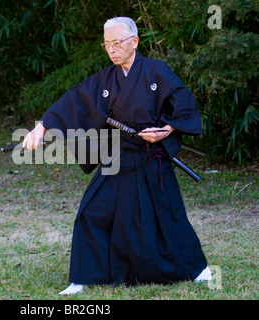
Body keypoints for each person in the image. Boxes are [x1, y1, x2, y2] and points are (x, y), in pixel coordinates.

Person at [23, 17, 211, 295]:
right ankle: (82, 278)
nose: (111, 49)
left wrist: (166, 130)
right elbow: (75, 101)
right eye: (106, 44)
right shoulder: (105, 79)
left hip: (151, 157)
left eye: (117, 43)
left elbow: (183, 105)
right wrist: (41, 127)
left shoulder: (156, 72)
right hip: (118, 157)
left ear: (134, 42)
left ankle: (198, 269)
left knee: (168, 215)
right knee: (93, 211)